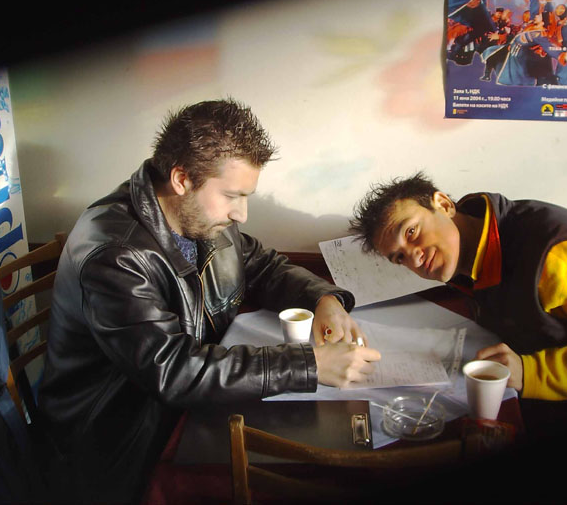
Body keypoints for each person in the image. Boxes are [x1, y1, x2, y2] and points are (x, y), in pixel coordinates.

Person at [38, 99, 381, 504]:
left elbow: (262, 265)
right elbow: (173, 371)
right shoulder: (115, 255)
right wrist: (309, 364)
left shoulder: (201, 216)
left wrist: (324, 298)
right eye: (233, 195)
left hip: (190, 405)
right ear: (182, 179)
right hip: (123, 440)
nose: (242, 214)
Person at [349, 172, 567, 437]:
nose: (415, 259)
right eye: (399, 257)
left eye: (412, 232)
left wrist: (531, 373)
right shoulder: (468, 254)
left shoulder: (554, 255)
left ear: (443, 204)